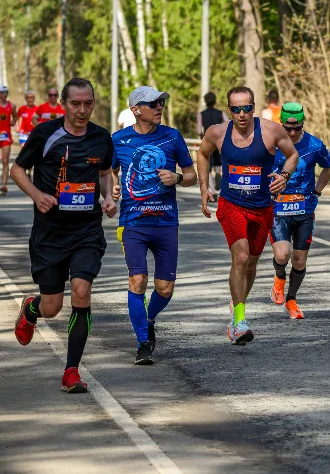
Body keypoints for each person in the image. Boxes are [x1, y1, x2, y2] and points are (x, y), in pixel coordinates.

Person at [11, 78, 117, 393]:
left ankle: (71, 371)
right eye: (75, 103)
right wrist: (37, 195)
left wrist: (108, 198)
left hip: (86, 230)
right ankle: (32, 309)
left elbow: (104, 173)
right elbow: (17, 170)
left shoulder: (101, 137)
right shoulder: (45, 134)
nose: (82, 110)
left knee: (82, 292)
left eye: (88, 103)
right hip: (50, 233)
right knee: (52, 307)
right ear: (64, 104)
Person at [196, 86, 298, 345]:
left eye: (247, 108)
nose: (242, 114)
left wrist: (284, 176)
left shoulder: (271, 131)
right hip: (231, 204)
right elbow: (202, 154)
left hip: (261, 207)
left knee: (251, 262)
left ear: (254, 107)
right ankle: (239, 321)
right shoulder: (217, 132)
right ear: (229, 110)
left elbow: (292, 154)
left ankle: (237, 304)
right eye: (236, 109)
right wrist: (204, 187)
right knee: (240, 256)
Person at [112, 86, 197, 364]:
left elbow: (192, 175)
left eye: (161, 102)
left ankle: (148, 319)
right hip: (133, 222)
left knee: (165, 288)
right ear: (136, 110)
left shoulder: (172, 136)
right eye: (153, 103)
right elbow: (108, 170)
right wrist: (112, 187)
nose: (160, 106)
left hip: (166, 222)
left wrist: (177, 178)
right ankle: (143, 343)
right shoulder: (119, 139)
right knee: (137, 280)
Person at [269, 102, 330, 319]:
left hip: (304, 208)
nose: (292, 132)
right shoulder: (271, 143)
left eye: (297, 127)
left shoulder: (314, 145)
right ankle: (279, 277)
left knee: (299, 260)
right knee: (282, 254)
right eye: (287, 128)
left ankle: (291, 300)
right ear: (281, 124)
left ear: (303, 123)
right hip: (277, 209)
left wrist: (317, 192)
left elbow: (328, 167)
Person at [197, 92, 226, 192]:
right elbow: (228, 123)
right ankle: (218, 174)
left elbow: (198, 130)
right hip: (219, 142)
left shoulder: (201, 114)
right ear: (215, 101)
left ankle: (212, 190)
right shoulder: (221, 113)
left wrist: (202, 136)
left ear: (205, 101)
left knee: (208, 166)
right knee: (218, 163)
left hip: (208, 142)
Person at [0, 85, 14, 194]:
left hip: (6, 136)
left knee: (5, 161)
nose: (5, 94)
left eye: (6, 92)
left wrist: (14, 121)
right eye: (3, 92)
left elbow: (16, 115)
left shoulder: (11, 105)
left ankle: (4, 185)